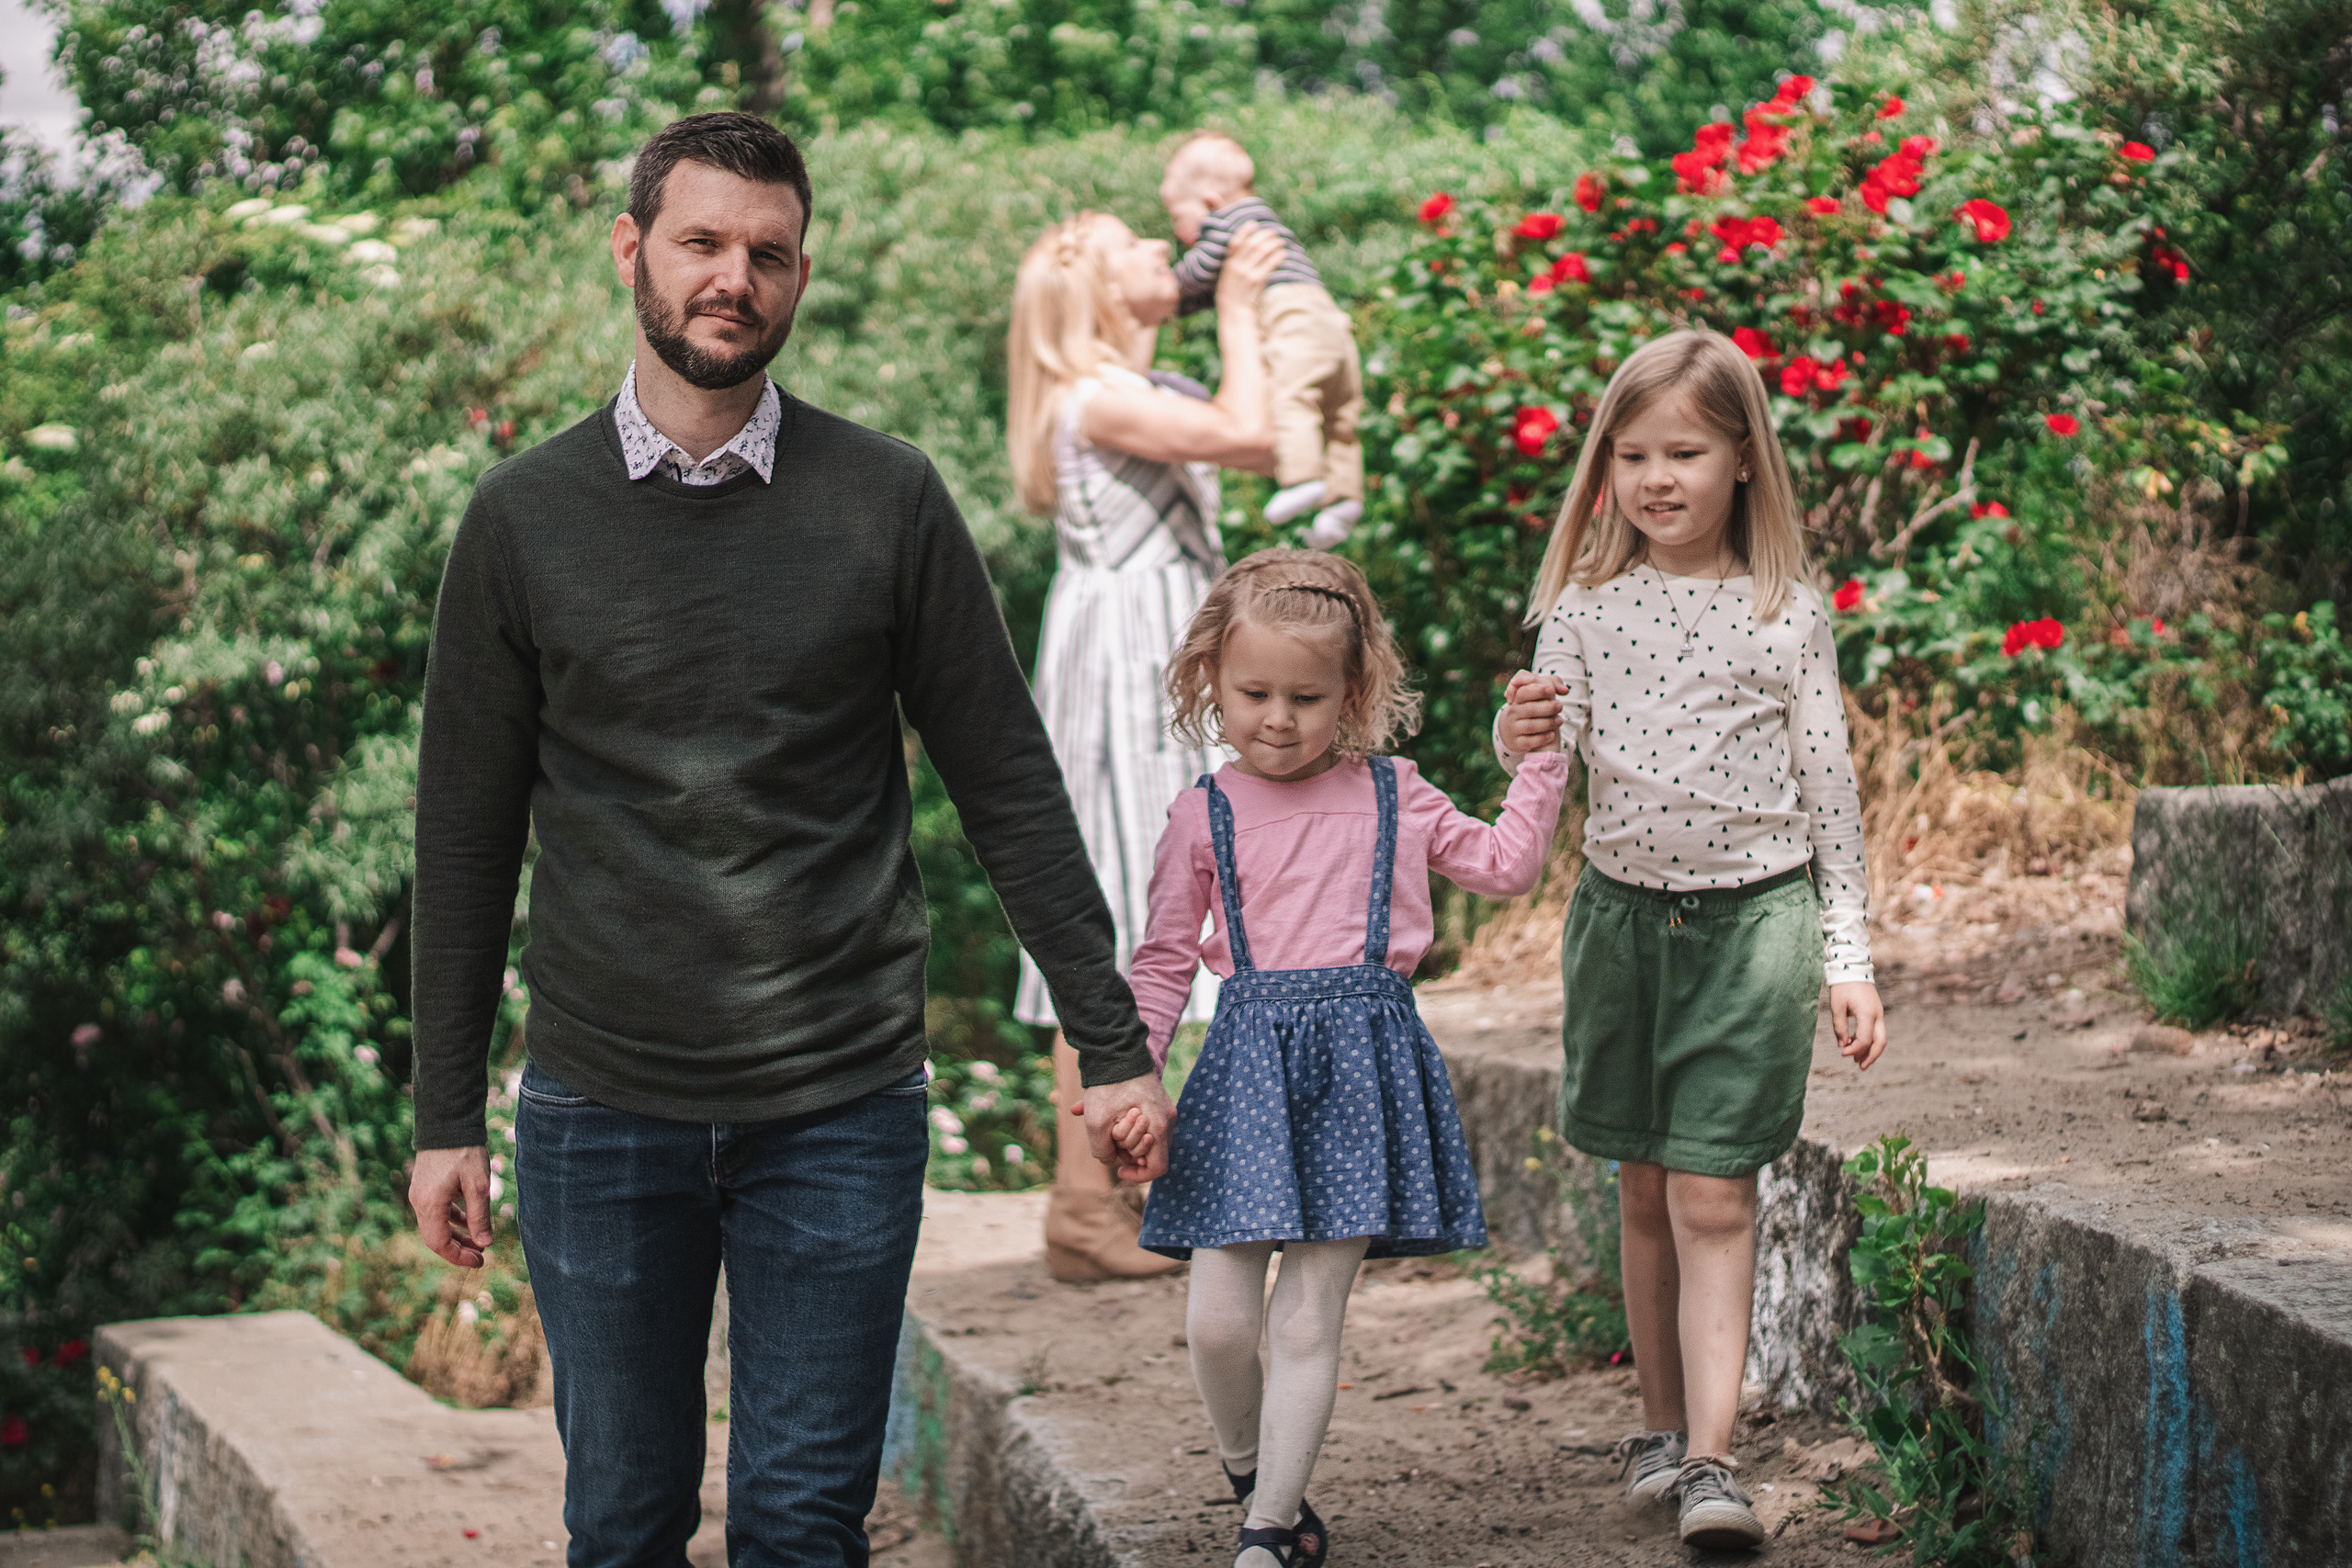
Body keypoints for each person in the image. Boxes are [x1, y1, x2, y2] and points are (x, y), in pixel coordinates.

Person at [405, 113, 1173, 1568]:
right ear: (634, 250)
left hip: (841, 1102)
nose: (732, 278)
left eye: (766, 253)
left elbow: (1006, 778)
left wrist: (1113, 1035)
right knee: (620, 1523)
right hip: (600, 1107)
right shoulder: (521, 520)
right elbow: (464, 834)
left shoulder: (887, 500)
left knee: (806, 1526)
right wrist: (446, 1112)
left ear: (799, 274)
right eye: (702, 243)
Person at [1098, 548, 1572, 1568]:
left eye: (1306, 697)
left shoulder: (1395, 795)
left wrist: (1540, 761)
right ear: (1208, 684)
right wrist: (1133, 1081)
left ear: (1352, 692)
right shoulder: (1203, 812)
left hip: (1366, 1072)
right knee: (1220, 1323)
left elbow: (1506, 864)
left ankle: (1270, 1533)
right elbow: (1164, 960)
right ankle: (1249, 1469)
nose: (1277, 717)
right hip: (1241, 1079)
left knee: (1309, 1315)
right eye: (1253, 692)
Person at [1497, 329, 1889, 1551]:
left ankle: (1716, 1461)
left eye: (1686, 450)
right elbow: (1540, 774)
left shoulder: (1784, 616)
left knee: (1717, 1187)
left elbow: (1832, 794)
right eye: (1634, 453)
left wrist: (1847, 952)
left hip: (1754, 926)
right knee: (1647, 1183)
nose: (1658, 475)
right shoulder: (1579, 611)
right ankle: (1661, 1429)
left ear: (1742, 461)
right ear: (1606, 470)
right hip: (1619, 926)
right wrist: (1515, 733)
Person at [1004, 209, 1288, 1282]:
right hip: (1129, 671)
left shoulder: (1127, 390)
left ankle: (1110, 1195)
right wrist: (1244, 308)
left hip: (1137, 656)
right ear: (1093, 289)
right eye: (1134, 246)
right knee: (1125, 918)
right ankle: (1087, 1207)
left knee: (1148, 910)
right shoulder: (1099, 395)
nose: (1157, 257)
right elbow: (1254, 435)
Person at [1159, 133, 1366, 548]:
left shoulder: (1229, 222)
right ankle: (1344, 498)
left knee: (1292, 396)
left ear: (1210, 201)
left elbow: (1200, 271)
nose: (1180, 233)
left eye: (1178, 217)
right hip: (1329, 321)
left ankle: (1303, 479)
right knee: (1339, 417)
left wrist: (1169, 291)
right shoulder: (1262, 218)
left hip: (1293, 315)